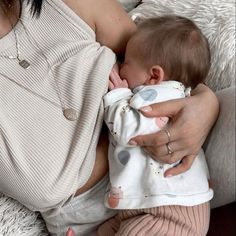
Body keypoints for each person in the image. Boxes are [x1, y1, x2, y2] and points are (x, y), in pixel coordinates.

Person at [0, 0, 221, 235]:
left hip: (171, 185)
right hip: (89, 220)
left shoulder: (68, 4)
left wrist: (205, 103)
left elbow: (169, 61)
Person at [98, 16, 213, 235]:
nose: (120, 67)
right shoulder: (179, 95)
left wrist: (117, 96)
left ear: (154, 75)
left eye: (126, 62)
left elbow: (128, 130)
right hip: (158, 206)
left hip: (168, 211)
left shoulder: (156, 96)